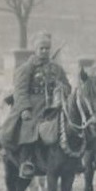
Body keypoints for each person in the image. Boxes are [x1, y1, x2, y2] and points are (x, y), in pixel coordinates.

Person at [9, 31, 71, 179]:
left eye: (47, 49)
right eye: (41, 49)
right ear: (35, 50)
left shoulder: (57, 69)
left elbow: (68, 87)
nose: (44, 51)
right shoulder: (26, 68)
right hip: (33, 105)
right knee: (29, 127)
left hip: (54, 104)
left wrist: (62, 88)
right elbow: (20, 91)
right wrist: (24, 109)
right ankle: (27, 161)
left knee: (69, 125)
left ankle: (72, 158)